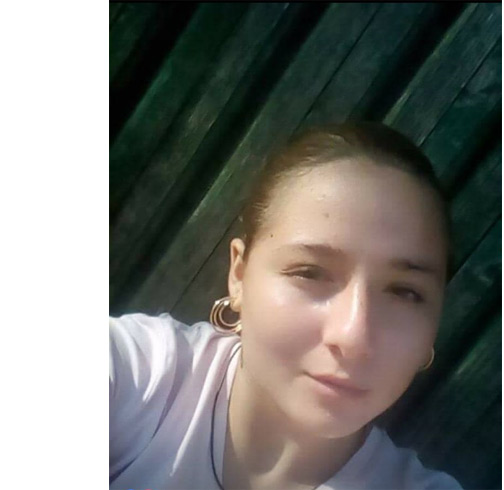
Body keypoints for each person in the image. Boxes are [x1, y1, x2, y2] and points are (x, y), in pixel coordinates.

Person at [109, 122, 463, 490]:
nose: (353, 337)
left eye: (405, 292)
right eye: (309, 272)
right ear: (239, 274)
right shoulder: (142, 377)